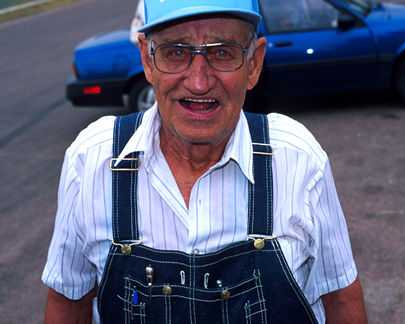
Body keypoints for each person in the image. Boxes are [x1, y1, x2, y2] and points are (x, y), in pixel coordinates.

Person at [42, 0, 368, 323]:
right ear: (147, 59)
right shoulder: (93, 160)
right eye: (176, 52)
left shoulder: (297, 158)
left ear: (254, 64)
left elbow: (339, 295)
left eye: (222, 52)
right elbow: (69, 300)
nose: (199, 81)